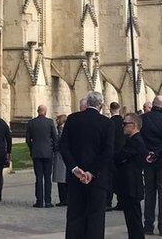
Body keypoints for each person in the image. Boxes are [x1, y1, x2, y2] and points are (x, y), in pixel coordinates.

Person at [59, 91, 114, 239]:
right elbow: (108, 152)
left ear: (87, 103)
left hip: (75, 178)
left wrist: (75, 168)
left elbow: (63, 146)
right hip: (97, 178)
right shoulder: (106, 123)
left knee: (75, 215)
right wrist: (91, 172)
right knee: (96, 217)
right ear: (101, 105)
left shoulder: (72, 119)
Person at [140, 95, 162, 235]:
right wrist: (158, 153)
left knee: (149, 193)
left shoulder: (143, 119)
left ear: (153, 104)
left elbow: (139, 140)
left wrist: (149, 153)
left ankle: (148, 226)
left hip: (149, 161)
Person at [115, 112, 149, 239]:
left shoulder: (136, 141)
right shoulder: (132, 140)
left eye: (125, 124)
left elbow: (119, 157)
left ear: (133, 125)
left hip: (132, 187)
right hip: (129, 186)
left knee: (134, 221)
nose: (123, 126)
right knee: (132, 221)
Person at [25, 104, 58, 208]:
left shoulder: (32, 123)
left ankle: (39, 201)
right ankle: (48, 201)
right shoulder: (49, 122)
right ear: (45, 111)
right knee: (47, 178)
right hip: (48, 152)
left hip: (36, 152)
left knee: (39, 177)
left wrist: (32, 148)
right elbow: (55, 137)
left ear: (37, 111)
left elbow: (27, 139)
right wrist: (53, 148)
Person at [106, 101, 125, 211]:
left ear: (110, 109)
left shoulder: (109, 122)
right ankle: (121, 202)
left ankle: (108, 202)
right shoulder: (123, 122)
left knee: (110, 179)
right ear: (119, 109)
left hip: (112, 154)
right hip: (122, 154)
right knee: (121, 179)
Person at [53, 114, 69, 206]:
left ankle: (64, 199)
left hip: (61, 156)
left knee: (61, 179)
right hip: (62, 156)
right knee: (63, 179)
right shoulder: (62, 129)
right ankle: (64, 198)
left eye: (57, 119)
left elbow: (59, 142)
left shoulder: (61, 129)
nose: (56, 121)